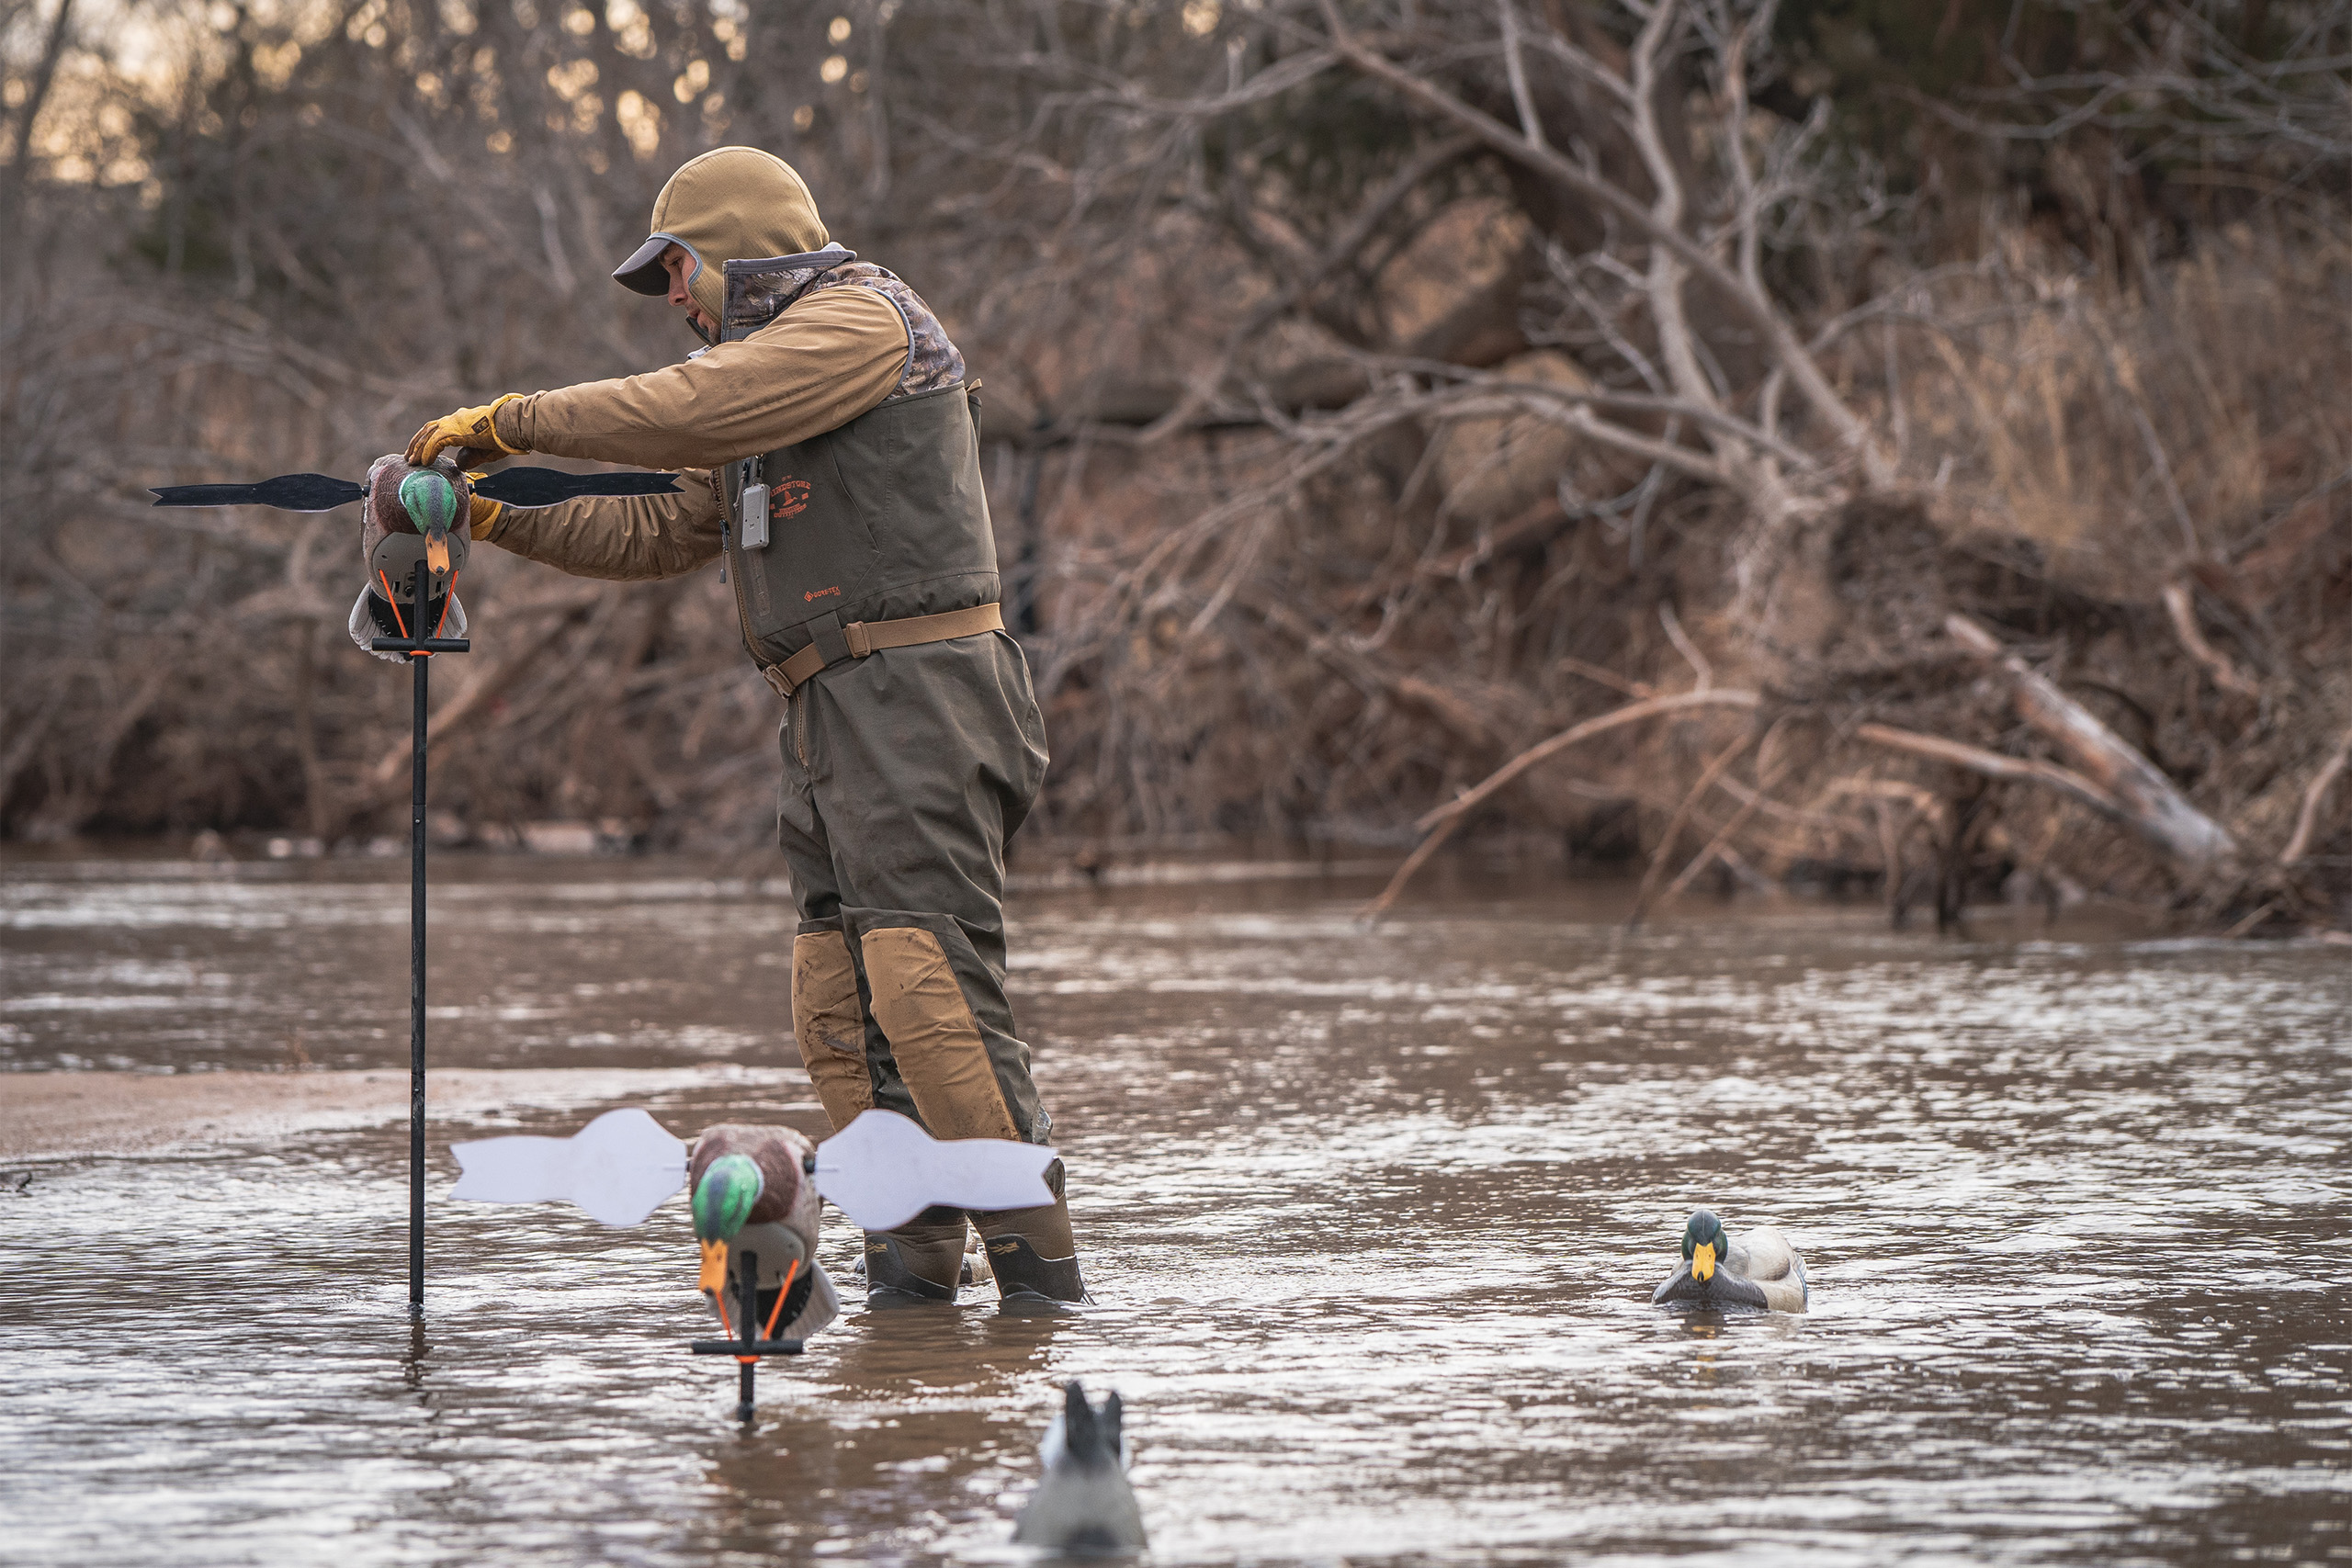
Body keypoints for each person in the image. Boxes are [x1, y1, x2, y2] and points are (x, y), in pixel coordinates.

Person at [405, 146, 1083, 1307]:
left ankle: (1042, 1296)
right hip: (824, 711)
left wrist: (512, 423)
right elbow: (658, 531)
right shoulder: (759, 396)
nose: (672, 296)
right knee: (838, 1007)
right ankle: (914, 1292)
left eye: (677, 268)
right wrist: (486, 513)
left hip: (921, 698)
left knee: (925, 990)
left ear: (739, 251)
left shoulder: (860, 322)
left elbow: (693, 406)